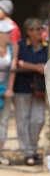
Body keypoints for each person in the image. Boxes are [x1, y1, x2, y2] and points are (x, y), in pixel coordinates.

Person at [13, 18, 48, 165]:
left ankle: (32, 149)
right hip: (22, 88)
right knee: (23, 121)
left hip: (40, 90)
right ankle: (27, 153)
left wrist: (46, 67)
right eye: (37, 29)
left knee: (38, 120)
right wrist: (37, 68)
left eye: (41, 28)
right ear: (29, 32)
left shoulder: (48, 46)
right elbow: (18, 62)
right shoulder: (21, 45)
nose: (41, 31)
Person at [0, 21, 17, 165]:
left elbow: (12, 70)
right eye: (7, 32)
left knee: (4, 122)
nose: (10, 35)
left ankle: (0, 152)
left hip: (4, 89)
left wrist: (9, 89)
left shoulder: (12, 48)